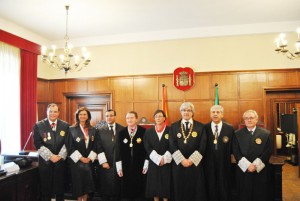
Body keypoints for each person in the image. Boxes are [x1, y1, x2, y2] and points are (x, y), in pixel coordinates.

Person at [169, 102, 207, 201]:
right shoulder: (173, 126)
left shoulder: (200, 126)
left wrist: (190, 160)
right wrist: (182, 160)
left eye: (189, 110)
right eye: (184, 110)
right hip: (179, 165)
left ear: (192, 112)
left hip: (194, 164)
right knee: (179, 189)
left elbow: (202, 146)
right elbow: (172, 145)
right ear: (180, 112)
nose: (186, 112)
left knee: (195, 189)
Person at [232, 110, 272, 201]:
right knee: (244, 194)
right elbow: (236, 152)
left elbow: (268, 152)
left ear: (256, 120)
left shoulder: (266, 134)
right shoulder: (237, 134)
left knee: (260, 194)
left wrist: (255, 165)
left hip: (259, 171)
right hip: (244, 171)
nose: (249, 120)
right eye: (246, 118)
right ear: (244, 120)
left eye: (251, 118)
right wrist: (248, 166)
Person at [33, 103, 69, 201]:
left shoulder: (65, 125)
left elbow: (67, 142)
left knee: (60, 189)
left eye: (55, 111)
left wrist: (59, 156)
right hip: (46, 162)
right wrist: (51, 156)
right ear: (47, 112)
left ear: (59, 113)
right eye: (50, 111)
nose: (53, 114)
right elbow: (37, 143)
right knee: (46, 189)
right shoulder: (38, 125)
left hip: (60, 162)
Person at [203, 105, 235, 201]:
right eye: (213, 112)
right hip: (208, 162)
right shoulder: (204, 128)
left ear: (222, 114)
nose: (215, 114)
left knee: (223, 184)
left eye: (218, 112)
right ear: (210, 114)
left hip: (224, 162)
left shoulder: (229, 128)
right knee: (210, 184)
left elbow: (233, 146)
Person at [115, 111, 148, 201]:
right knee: (126, 191)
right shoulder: (121, 133)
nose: (129, 120)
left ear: (136, 119)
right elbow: (117, 151)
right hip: (125, 166)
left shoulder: (143, 131)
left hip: (140, 166)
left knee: (139, 191)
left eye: (132, 117)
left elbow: (147, 149)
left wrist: (146, 164)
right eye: (128, 118)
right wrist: (119, 167)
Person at [66, 107, 98, 201]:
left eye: (84, 114)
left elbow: (96, 145)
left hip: (89, 162)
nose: (82, 116)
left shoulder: (93, 129)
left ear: (88, 116)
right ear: (77, 116)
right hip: (76, 163)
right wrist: (80, 158)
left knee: (87, 186)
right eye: (80, 114)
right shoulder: (71, 129)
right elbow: (69, 146)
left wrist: (89, 158)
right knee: (78, 186)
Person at [144, 109, 172, 201]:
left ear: (164, 118)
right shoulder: (149, 132)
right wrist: (158, 159)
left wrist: (164, 159)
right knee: (154, 186)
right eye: (156, 116)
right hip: (154, 162)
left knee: (166, 186)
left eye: (160, 116)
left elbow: (172, 145)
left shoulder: (170, 130)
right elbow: (147, 146)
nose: (158, 118)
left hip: (166, 162)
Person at [96, 109, 124, 201]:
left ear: (115, 116)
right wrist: (103, 162)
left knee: (117, 187)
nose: (109, 117)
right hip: (105, 162)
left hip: (118, 162)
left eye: (111, 115)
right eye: (107, 116)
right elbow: (98, 147)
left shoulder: (122, 129)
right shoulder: (100, 130)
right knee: (105, 187)